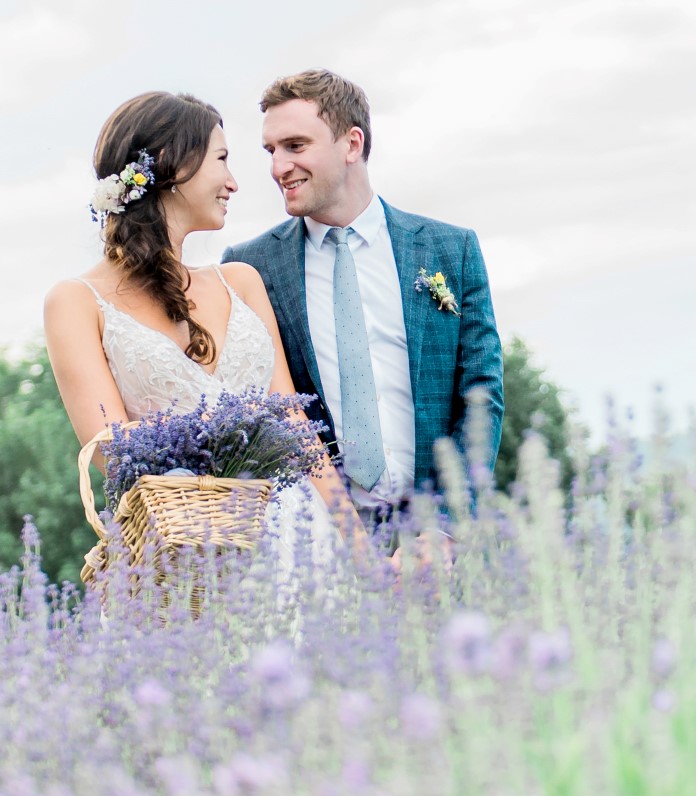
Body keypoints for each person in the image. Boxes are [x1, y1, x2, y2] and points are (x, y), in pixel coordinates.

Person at [44, 91, 371, 588]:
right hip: (180, 554)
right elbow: (110, 449)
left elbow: (295, 423)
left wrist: (360, 548)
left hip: (296, 542)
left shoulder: (239, 282)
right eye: (222, 159)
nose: (235, 182)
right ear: (176, 166)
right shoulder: (76, 301)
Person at [222, 69, 504, 547]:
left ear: (351, 144)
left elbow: (481, 396)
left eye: (295, 145)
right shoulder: (248, 267)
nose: (278, 167)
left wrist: (446, 529)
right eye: (271, 151)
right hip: (315, 547)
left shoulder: (449, 249)